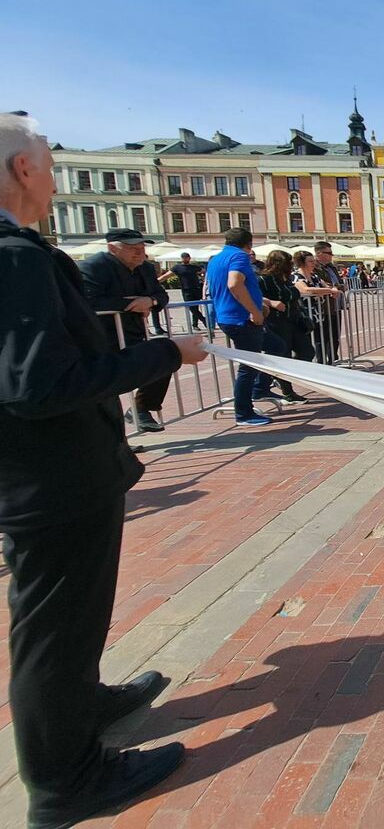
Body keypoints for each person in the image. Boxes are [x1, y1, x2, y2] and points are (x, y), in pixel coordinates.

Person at [0, 113, 208, 829]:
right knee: (55, 630)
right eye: (51, 166)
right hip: (52, 480)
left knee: (66, 623)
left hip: (41, 477)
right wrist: (165, 354)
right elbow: (40, 384)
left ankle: (81, 704)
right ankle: (67, 780)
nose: (56, 183)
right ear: (23, 170)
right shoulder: (17, 258)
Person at [80, 229, 174, 432]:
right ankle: (114, 437)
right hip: (102, 336)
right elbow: (86, 300)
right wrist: (129, 305)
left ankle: (141, 408)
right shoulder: (93, 267)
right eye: (133, 249)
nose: (140, 253)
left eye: (142, 248)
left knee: (165, 358)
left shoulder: (146, 268)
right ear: (113, 248)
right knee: (106, 387)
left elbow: (161, 294)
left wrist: (150, 300)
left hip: (133, 332)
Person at [205, 228, 288, 425]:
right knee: (249, 366)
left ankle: (260, 389)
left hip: (231, 317)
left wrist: (261, 303)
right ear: (249, 244)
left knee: (276, 346)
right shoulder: (239, 256)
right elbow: (234, 284)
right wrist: (254, 311)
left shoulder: (216, 259)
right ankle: (243, 413)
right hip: (241, 319)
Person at [258, 250, 313, 405]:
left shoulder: (285, 278)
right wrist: (271, 302)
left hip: (294, 320)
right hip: (276, 321)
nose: (290, 265)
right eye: (287, 263)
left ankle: (282, 375)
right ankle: (288, 392)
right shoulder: (263, 279)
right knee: (284, 355)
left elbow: (294, 294)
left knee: (307, 351)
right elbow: (254, 295)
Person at [292, 250, 342, 362]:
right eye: (310, 261)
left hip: (318, 313)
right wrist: (329, 291)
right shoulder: (296, 276)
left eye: (313, 261)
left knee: (321, 340)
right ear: (301, 262)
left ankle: (322, 362)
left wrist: (331, 290)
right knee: (306, 343)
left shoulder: (314, 276)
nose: (313, 263)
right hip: (304, 314)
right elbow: (306, 290)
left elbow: (327, 286)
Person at [312, 241, 346, 362]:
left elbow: (339, 283)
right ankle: (322, 361)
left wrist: (339, 287)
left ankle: (333, 359)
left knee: (335, 335)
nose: (332, 255)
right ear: (319, 253)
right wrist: (335, 287)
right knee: (323, 336)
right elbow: (320, 284)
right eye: (329, 253)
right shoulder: (314, 267)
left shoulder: (332, 267)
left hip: (336, 305)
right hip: (323, 307)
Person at [159, 251, 207, 330]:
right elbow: (166, 276)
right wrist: (156, 281)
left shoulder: (194, 267)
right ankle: (203, 320)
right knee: (191, 307)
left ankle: (195, 325)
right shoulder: (177, 267)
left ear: (189, 258)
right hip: (186, 290)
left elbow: (204, 272)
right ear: (181, 259)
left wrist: (203, 278)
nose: (185, 259)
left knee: (195, 307)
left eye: (186, 257)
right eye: (183, 258)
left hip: (196, 289)